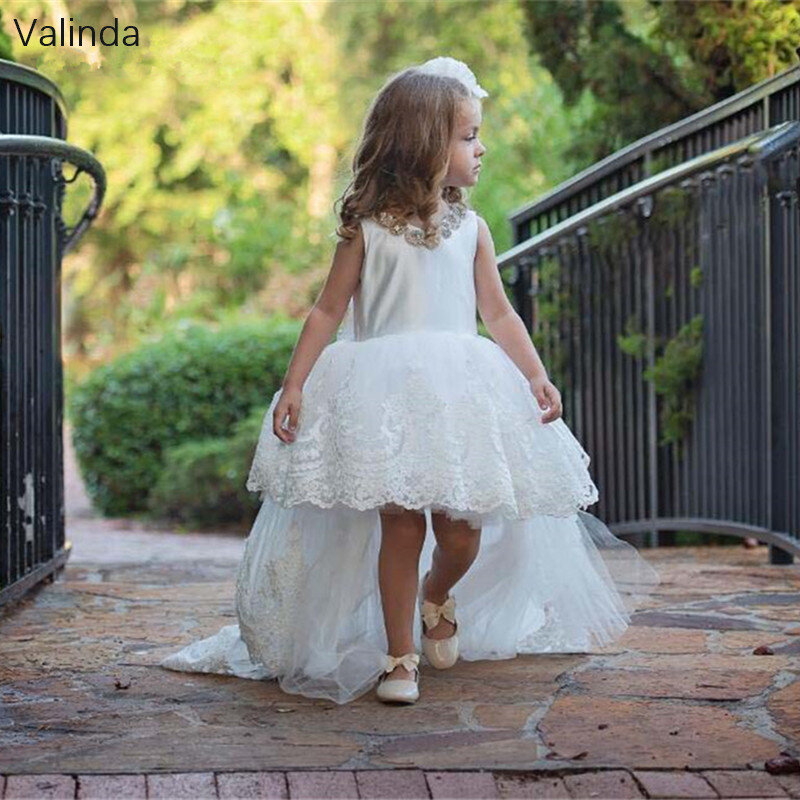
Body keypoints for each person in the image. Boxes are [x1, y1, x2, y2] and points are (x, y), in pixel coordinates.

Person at [159, 56, 661, 706]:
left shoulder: (471, 231)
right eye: (468, 135)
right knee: (401, 526)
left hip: (457, 395)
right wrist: (295, 385)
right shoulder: (367, 231)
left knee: (461, 531)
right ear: (425, 142)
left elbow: (498, 313)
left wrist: (534, 375)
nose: (481, 148)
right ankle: (400, 658)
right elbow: (326, 311)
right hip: (384, 399)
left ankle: (437, 594)